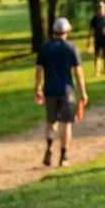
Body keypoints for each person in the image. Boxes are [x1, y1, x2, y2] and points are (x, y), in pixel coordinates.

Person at [35, 17, 88, 167]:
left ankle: (49, 147)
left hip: (49, 90)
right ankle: (63, 157)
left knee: (51, 123)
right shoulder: (71, 48)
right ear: (67, 31)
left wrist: (37, 88)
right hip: (66, 91)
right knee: (66, 124)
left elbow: (38, 70)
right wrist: (83, 92)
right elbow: (78, 72)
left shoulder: (45, 48)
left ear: (53, 31)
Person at [87, 1, 105, 77]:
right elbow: (91, 30)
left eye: (102, 8)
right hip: (97, 39)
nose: (100, 9)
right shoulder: (95, 18)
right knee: (97, 56)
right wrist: (89, 40)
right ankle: (97, 71)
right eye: (99, 8)